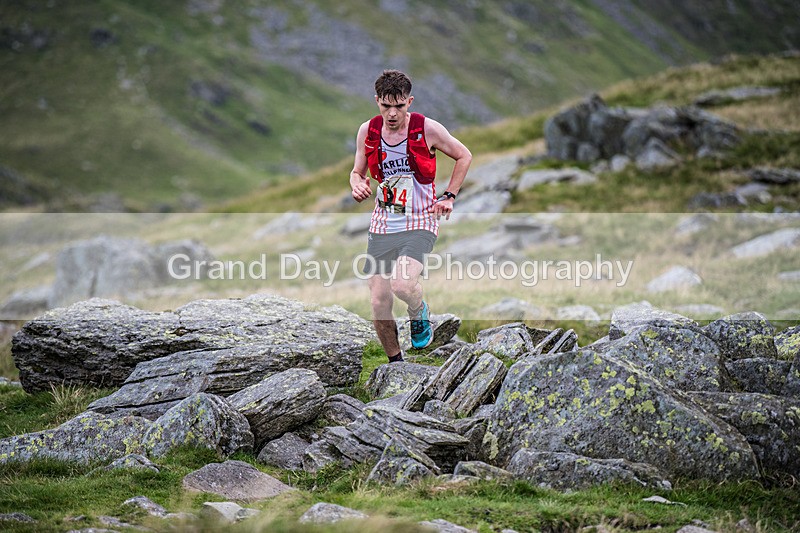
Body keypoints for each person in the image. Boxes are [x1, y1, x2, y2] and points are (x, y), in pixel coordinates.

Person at [349, 69, 472, 362]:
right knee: (379, 300)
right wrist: (357, 183)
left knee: (402, 284)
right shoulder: (368, 131)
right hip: (383, 221)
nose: (392, 113)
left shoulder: (427, 129)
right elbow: (357, 172)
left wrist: (450, 196)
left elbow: (464, 155)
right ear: (377, 100)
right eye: (386, 106)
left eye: (399, 106)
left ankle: (418, 311)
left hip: (420, 219)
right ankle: (396, 363)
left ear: (410, 101)